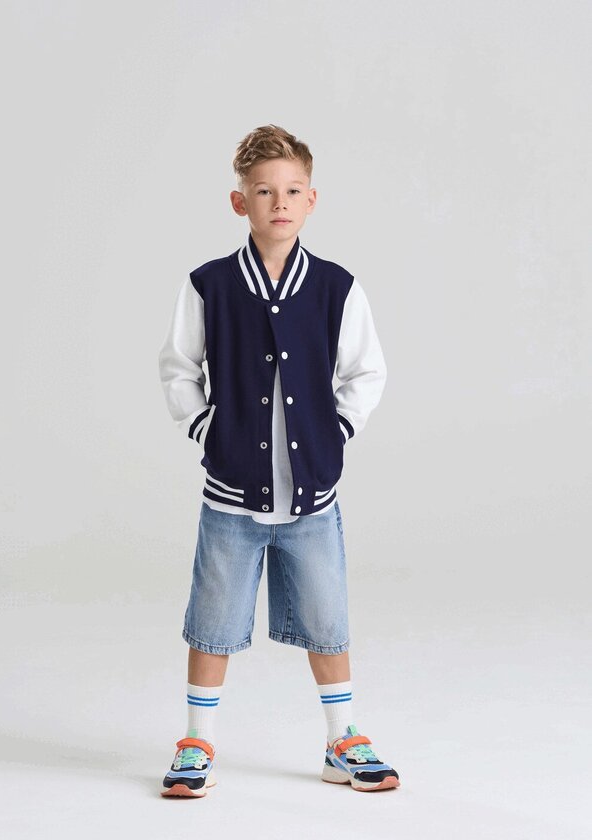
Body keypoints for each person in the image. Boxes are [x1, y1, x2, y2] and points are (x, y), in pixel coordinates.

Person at [157, 124, 400, 797]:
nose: (279, 202)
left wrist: (334, 431)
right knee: (212, 621)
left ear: (312, 200)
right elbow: (179, 368)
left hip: (311, 498)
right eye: (264, 191)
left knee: (327, 620)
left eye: (293, 190)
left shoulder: (335, 287)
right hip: (231, 497)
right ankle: (196, 741)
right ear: (241, 202)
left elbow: (366, 371)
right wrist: (207, 429)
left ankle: (342, 740)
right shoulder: (209, 285)